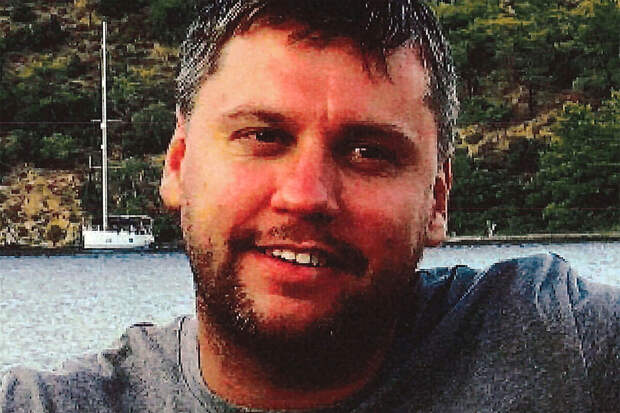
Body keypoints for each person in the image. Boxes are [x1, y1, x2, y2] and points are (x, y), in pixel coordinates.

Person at [1, 1, 618, 412]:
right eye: (263, 136)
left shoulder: (565, 344)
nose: (305, 196)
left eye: (369, 152)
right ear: (179, 163)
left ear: (437, 199)